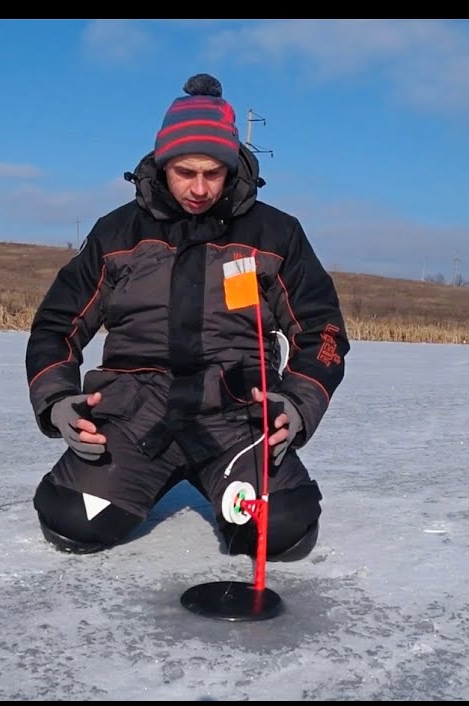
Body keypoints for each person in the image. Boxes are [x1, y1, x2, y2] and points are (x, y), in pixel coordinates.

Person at [24, 72, 349, 563]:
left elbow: (323, 332)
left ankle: (229, 483)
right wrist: (57, 403)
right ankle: (141, 479)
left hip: (235, 417)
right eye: (184, 172)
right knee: (71, 518)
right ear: (161, 164)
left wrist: (298, 404)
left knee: (281, 532)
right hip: (135, 417)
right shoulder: (116, 233)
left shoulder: (276, 233)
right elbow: (56, 326)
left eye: (212, 173)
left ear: (232, 166)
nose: (198, 188)